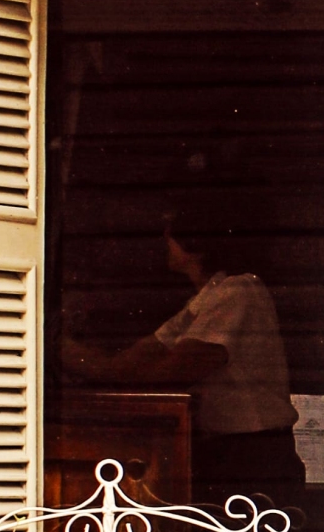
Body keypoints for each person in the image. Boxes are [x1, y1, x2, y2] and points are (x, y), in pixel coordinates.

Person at [66, 217, 300, 508]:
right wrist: (55, 343)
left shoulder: (238, 290)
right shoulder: (202, 301)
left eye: (171, 238)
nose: (164, 243)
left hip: (255, 453)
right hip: (230, 450)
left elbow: (177, 370)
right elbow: (122, 365)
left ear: (195, 248)